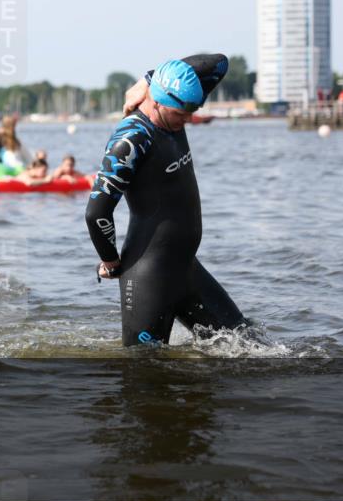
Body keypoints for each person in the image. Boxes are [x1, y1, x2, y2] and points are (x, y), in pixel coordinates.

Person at [88, 54, 248, 346]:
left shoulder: (176, 104)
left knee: (249, 344)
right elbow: (97, 211)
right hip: (148, 274)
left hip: (185, 268)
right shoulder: (132, 138)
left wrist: (148, 79)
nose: (187, 120)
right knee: (144, 372)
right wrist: (110, 262)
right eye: (180, 114)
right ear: (158, 101)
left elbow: (219, 63)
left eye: (192, 112)